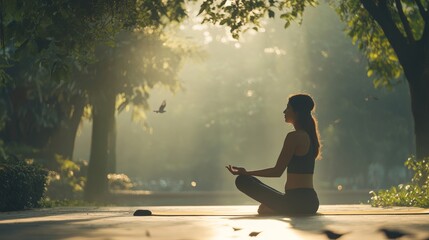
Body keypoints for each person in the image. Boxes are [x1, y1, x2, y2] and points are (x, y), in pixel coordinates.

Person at [226, 94, 321, 215]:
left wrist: (246, 173)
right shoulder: (309, 136)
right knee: (261, 202)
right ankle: (278, 207)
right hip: (311, 201)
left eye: (288, 108)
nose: (284, 111)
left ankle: (279, 207)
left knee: (242, 180)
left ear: (296, 112)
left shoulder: (295, 137)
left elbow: (276, 172)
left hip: (297, 203)